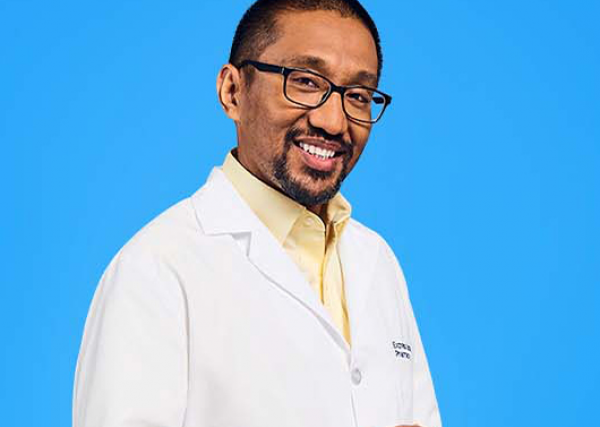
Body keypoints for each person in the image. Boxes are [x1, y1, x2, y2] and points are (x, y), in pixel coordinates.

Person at [72, 1, 442, 426]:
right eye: (305, 81)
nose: (334, 121)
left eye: (357, 96)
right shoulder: (156, 270)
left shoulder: (378, 262)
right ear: (233, 92)